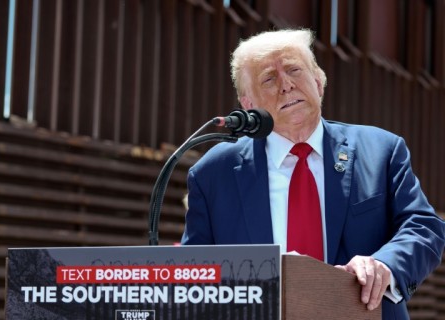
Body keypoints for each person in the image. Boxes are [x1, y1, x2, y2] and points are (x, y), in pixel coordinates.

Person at [181, 28, 445, 318]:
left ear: (319, 83)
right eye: (269, 78)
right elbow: (196, 275)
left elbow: (423, 227)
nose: (286, 85)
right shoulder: (213, 174)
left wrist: (385, 265)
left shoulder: (381, 151)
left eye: (295, 70)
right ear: (249, 105)